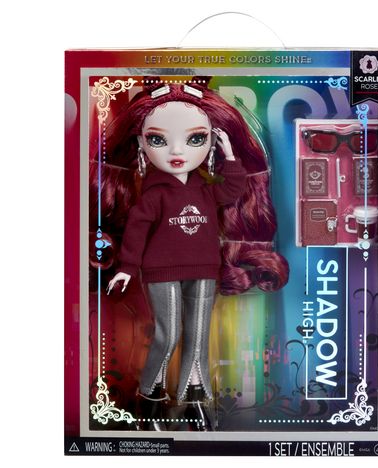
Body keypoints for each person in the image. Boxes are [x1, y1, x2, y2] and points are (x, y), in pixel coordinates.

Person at [91, 77, 289, 431]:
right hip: (161, 271)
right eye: (158, 140)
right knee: (168, 335)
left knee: (198, 337)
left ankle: (193, 400)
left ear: (210, 141)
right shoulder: (154, 194)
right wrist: (126, 267)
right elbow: (135, 230)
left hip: (204, 269)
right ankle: (150, 397)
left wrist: (230, 154)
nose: (176, 151)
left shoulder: (204, 190)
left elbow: (232, 190)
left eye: (195, 138)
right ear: (141, 143)